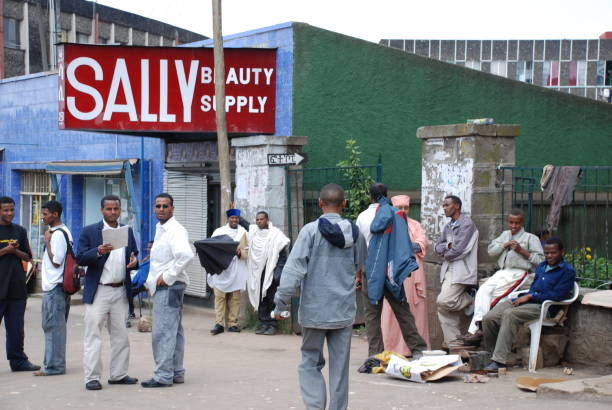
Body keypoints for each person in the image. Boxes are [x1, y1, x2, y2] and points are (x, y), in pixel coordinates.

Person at [274, 183, 366, 410]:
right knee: (340, 368)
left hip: (314, 311)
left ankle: (315, 407)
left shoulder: (310, 231)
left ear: (320, 204)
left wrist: (280, 303)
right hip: (343, 312)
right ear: (344, 204)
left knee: (309, 363)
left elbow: (293, 270)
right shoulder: (355, 233)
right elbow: (360, 266)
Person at [482, 237, 575, 372]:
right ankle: (493, 355)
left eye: (553, 252)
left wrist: (532, 296)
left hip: (544, 307)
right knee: (489, 317)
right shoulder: (542, 266)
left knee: (510, 314)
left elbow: (559, 295)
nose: (549, 256)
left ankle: (499, 361)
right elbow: (533, 288)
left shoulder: (567, 271)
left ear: (562, 252)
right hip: (527, 301)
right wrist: (526, 297)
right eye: (546, 253)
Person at [356, 183, 427, 358]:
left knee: (372, 315)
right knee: (402, 311)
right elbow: (403, 245)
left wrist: (358, 274)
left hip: (370, 271)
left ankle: (375, 354)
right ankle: (418, 349)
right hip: (391, 271)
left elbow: (358, 249)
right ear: (386, 194)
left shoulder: (362, 217)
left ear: (369, 196)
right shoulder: (397, 215)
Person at [76, 195, 139, 390]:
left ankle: (119, 374)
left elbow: (134, 254)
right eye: (109, 209)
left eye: (116, 209)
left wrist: (134, 261)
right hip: (99, 291)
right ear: (102, 210)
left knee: (121, 335)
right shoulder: (90, 231)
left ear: (120, 210)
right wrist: (98, 251)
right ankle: (92, 377)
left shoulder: (126, 231)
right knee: (93, 335)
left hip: (120, 290)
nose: (113, 212)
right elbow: (80, 257)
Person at [459, 209, 544, 345]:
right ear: (507, 222)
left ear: (522, 223)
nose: (514, 226)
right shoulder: (505, 235)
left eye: (517, 223)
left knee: (496, 296)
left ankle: (476, 331)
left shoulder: (530, 238)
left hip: (519, 272)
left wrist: (521, 250)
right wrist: (504, 245)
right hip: (503, 271)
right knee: (484, 290)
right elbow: (491, 251)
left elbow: (541, 260)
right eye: (511, 222)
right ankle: (477, 329)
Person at [141, 193, 194, 388]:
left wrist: (167, 276)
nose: (161, 209)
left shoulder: (175, 230)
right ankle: (176, 372)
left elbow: (186, 255)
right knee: (174, 331)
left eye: (165, 206)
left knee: (162, 332)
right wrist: (152, 281)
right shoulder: (161, 228)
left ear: (172, 208)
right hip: (167, 286)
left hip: (170, 286)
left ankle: (163, 375)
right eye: (158, 206)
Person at [380, 195, 431, 355]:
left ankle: (415, 348)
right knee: (392, 310)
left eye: (406, 208)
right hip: (394, 273)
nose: (403, 211)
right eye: (399, 207)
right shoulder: (387, 224)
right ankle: (392, 348)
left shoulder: (415, 225)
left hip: (413, 272)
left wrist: (405, 246)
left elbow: (421, 243)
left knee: (415, 309)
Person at [0, 196, 40, 373]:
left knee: (16, 329)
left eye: (12, 210)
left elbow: (28, 257)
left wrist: (15, 250)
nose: (9, 213)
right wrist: (5, 250)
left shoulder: (20, 231)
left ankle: (18, 361)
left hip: (16, 287)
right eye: (5, 210)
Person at [434, 195, 479, 345]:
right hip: (448, 269)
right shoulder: (448, 226)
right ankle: (454, 343)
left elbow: (459, 249)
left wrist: (446, 251)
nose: (444, 208)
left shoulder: (467, 224)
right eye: (443, 205)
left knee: (443, 301)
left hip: (462, 269)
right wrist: (448, 246)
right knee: (444, 309)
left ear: (457, 206)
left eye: (447, 205)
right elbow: (437, 247)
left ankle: (470, 299)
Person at [35, 200, 72, 376]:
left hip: (55, 288)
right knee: (54, 326)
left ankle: (54, 366)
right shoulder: (63, 232)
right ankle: (51, 363)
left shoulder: (57, 234)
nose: (43, 217)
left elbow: (57, 261)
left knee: (53, 327)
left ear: (55, 214)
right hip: (58, 287)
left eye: (45, 214)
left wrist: (47, 242)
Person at [246, 211, 290, 336]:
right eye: (257, 219)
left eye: (261, 219)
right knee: (261, 299)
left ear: (267, 220)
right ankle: (264, 323)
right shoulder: (254, 233)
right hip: (258, 273)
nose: (259, 221)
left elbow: (282, 256)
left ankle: (273, 325)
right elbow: (245, 224)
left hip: (271, 273)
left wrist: (277, 274)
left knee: (271, 299)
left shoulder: (276, 235)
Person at [208, 209, 248, 335]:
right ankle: (219, 324)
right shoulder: (219, 232)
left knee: (235, 299)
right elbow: (212, 249)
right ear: (228, 219)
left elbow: (248, 251)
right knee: (219, 297)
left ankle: (233, 324)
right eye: (232, 218)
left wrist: (240, 253)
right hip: (222, 269)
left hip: (237, 269)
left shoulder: (243, 233)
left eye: (236, 218)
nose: (234, 220)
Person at [127, 240, 154, 326]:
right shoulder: (148, 258)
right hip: (138, 281)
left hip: (144, 283)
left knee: (127, 293)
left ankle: (129, 313)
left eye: (151, 247)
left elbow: (146, 274)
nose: (148, 249)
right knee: (125, 290)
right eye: (148, 247)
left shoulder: (155, 260)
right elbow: (141, 270)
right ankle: (130, 312)